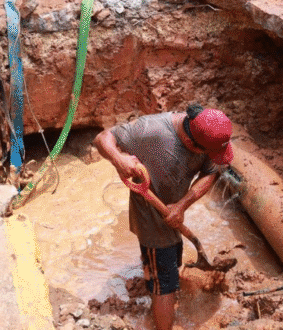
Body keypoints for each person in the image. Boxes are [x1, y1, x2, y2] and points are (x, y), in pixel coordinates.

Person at [93, 104, 234, 330]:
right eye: (207, 153)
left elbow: (211, 172)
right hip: (152, 219)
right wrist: (119, 159)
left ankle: (153, 277)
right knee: (165, 284)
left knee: (169, 264)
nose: (211, 157)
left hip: (174, 214)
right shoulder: (151, 131)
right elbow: (102, 138)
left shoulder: (207, 137)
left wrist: (182, 205)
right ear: (190, 143)